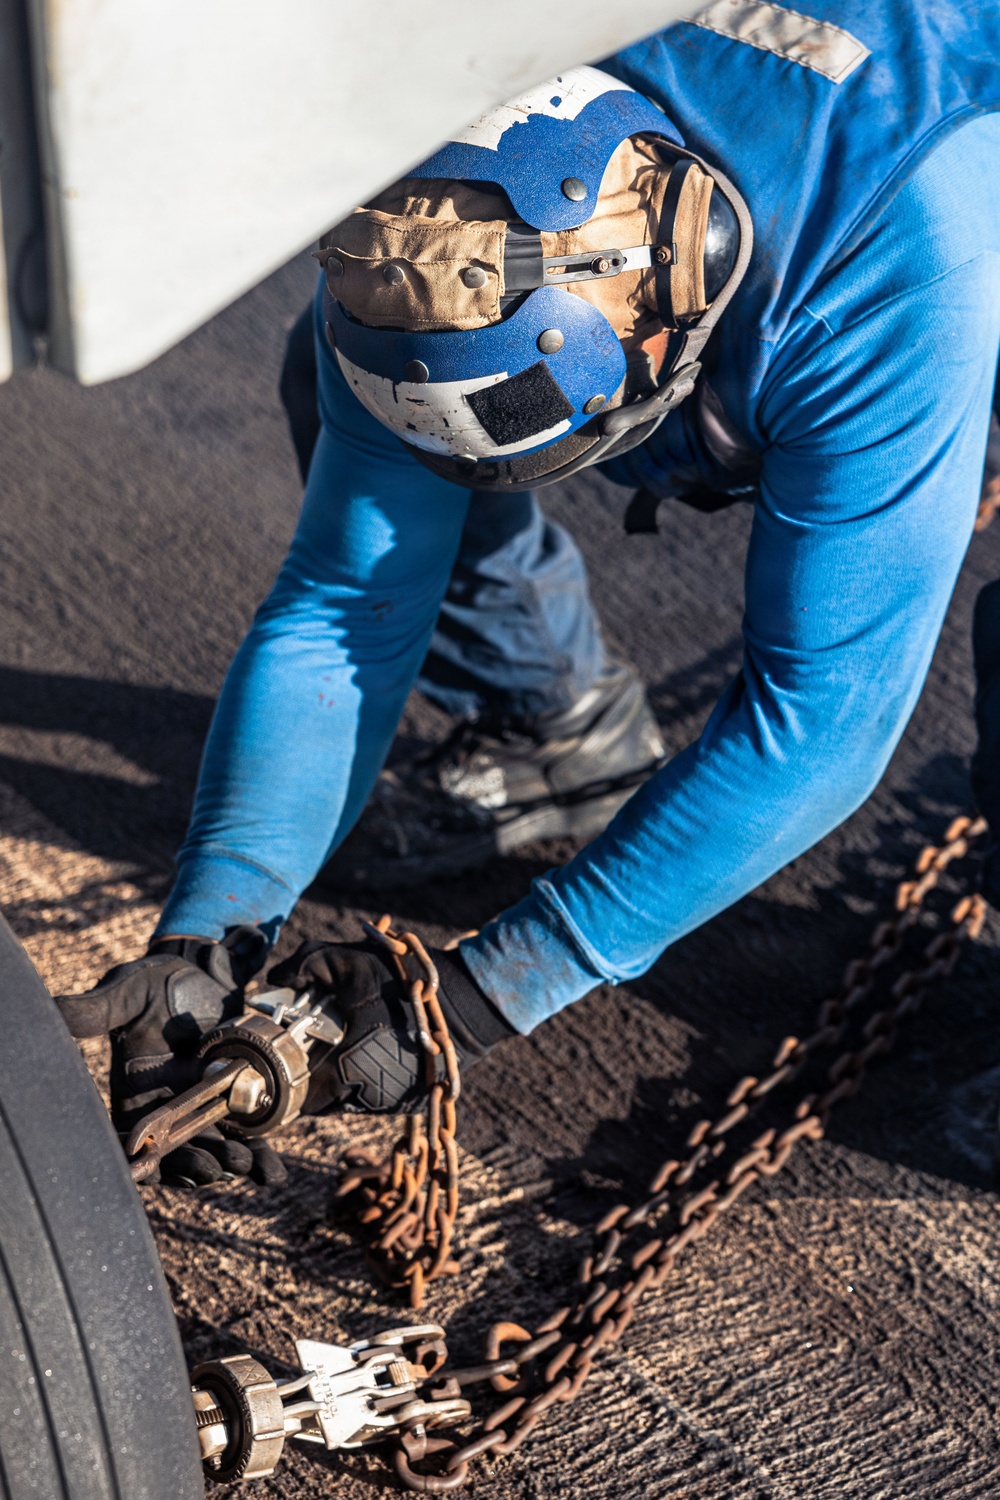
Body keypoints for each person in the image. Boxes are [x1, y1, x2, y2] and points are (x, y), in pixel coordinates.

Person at [56, 3, 1000, 1187]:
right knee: (372, 394)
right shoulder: (432, 207)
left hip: (936, 155)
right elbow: (350, 599)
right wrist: (210, 929)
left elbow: (820, 723)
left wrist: (482, 992)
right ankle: (555, 724)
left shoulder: (888, 276)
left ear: (673, 340)